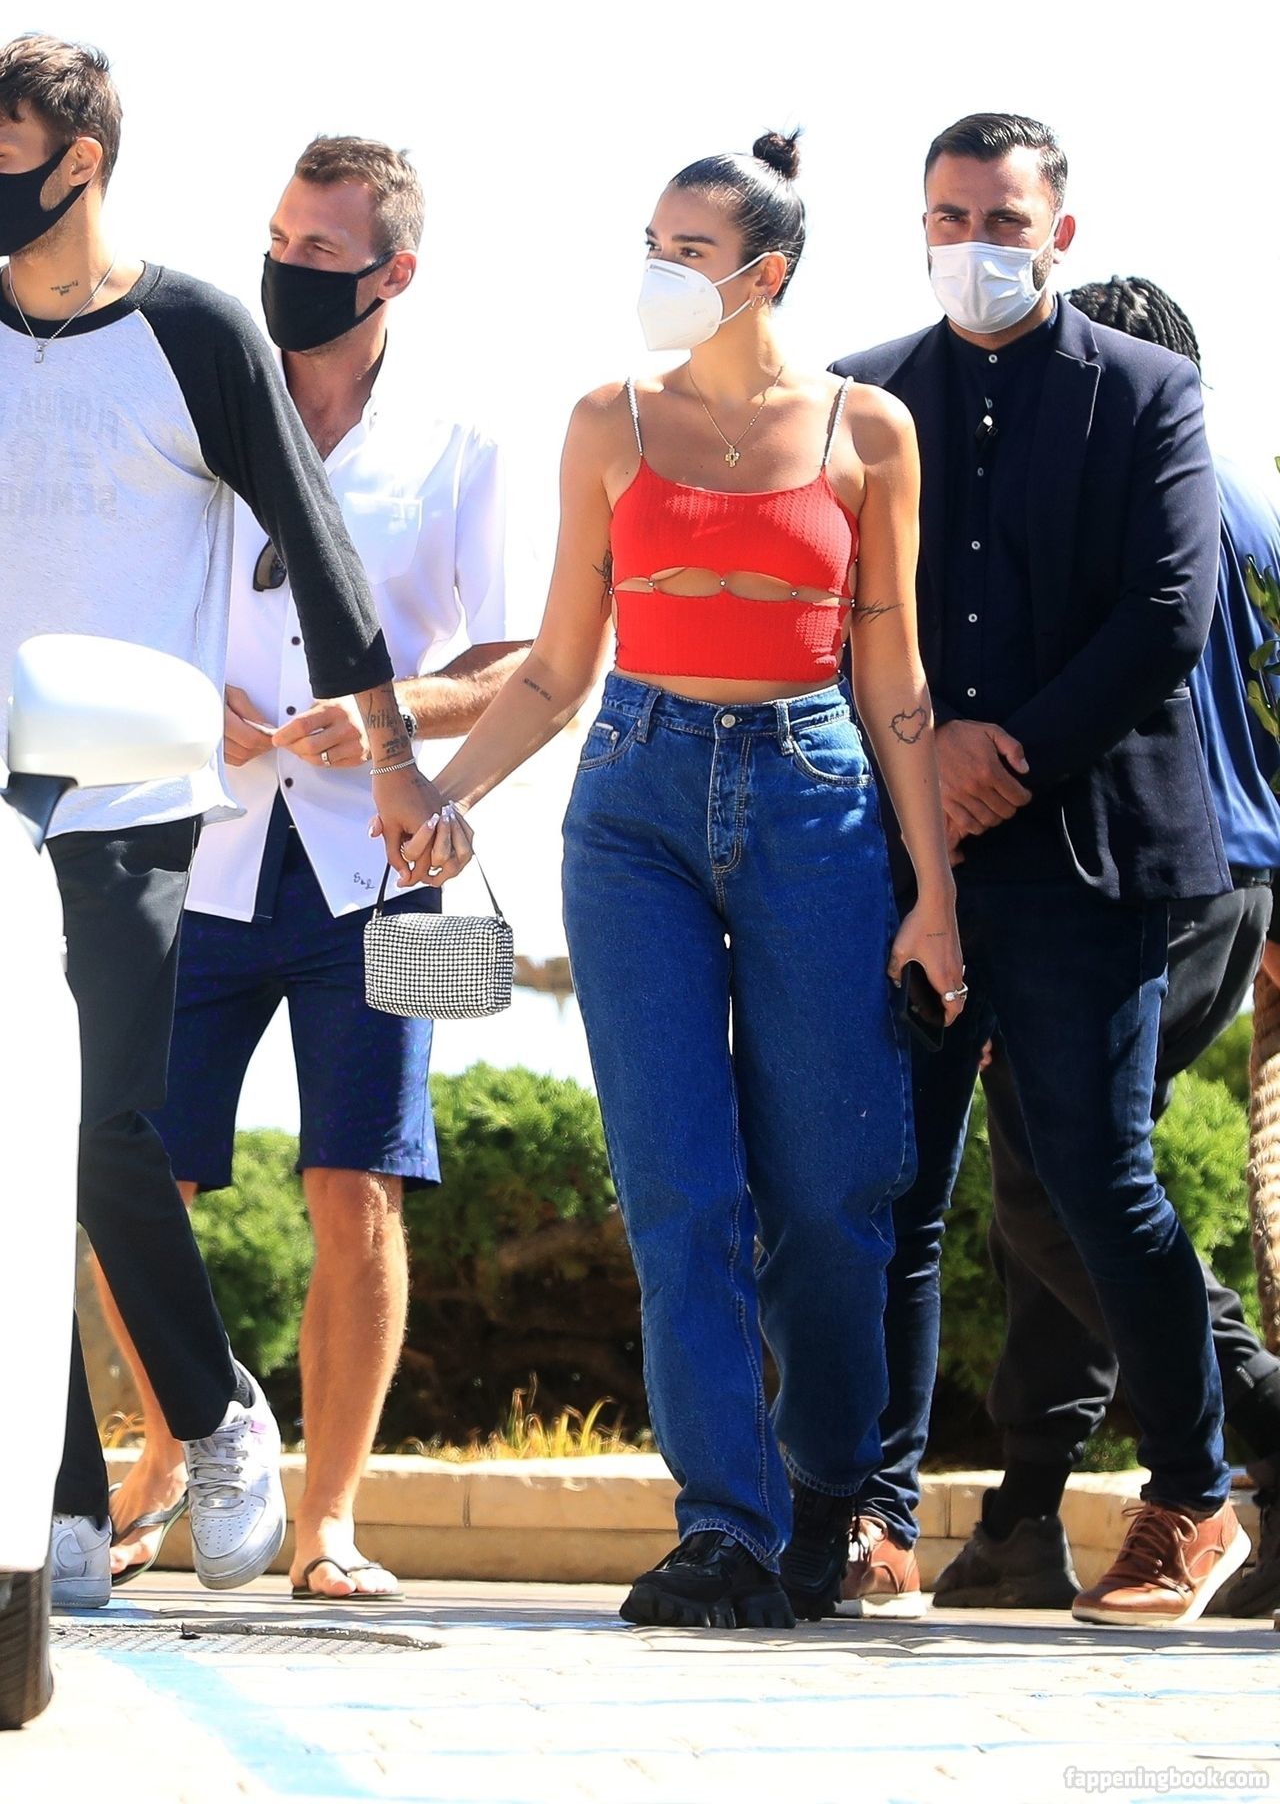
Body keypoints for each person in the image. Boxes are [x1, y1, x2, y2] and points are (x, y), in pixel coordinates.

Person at [409, 128, 964, 1629]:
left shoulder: (870, 433)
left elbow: (895, 678)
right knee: (679, 1189)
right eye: (652, 246)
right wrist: (450, 799)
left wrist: (933, 893)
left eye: (689, 252)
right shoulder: (608, 421)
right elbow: (556, 666)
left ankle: (830, 1498)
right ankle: (724, 1524)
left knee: (835, 1190)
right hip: (635, 800)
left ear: (763, 273)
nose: (657, 273)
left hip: (815, 796)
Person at [0, 37, 441, 1611]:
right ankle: (55, 1497)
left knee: (102, 1132)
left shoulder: (190, 332)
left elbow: (319, 551)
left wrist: (395, 756)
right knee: (7, 1153)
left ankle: (215, 1413)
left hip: (129, 796)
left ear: (79, 162)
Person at [97, 136, 532, 1600]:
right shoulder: (188, 416)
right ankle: (178, 1448)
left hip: (396, 869)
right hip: (184, 845)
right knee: (135, 1171)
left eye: (321, 251)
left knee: (364, 1188)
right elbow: (111, 595)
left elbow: (529, 660)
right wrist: (182, 693)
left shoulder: (464, 445)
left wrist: (392, 716)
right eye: (278, 239)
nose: (285, 268)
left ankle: (328, 1523)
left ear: (395, 273)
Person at [831, 116, 1248, 1626]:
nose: (974, 244)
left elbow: (1165, 611)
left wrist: (1001, 755)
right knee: (890, 1190)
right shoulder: (863, 396)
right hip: (905, 857)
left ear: (1059, 230)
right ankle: (874, 1515)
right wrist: (926, 758)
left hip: (1087, 854)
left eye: (1003, 218)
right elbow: (834, 608)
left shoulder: (1147, 390)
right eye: (948, 217)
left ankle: (1194, 1497)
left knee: (1095, 1181)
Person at [929, 278, 1280, 1616]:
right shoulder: (1252, 506)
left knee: (1071, 1185)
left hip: (1145, 872)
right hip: (1225, 881)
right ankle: (1027, 1510)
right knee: (1056, 1174)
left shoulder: (1136, 501)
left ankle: (1255, 1430)